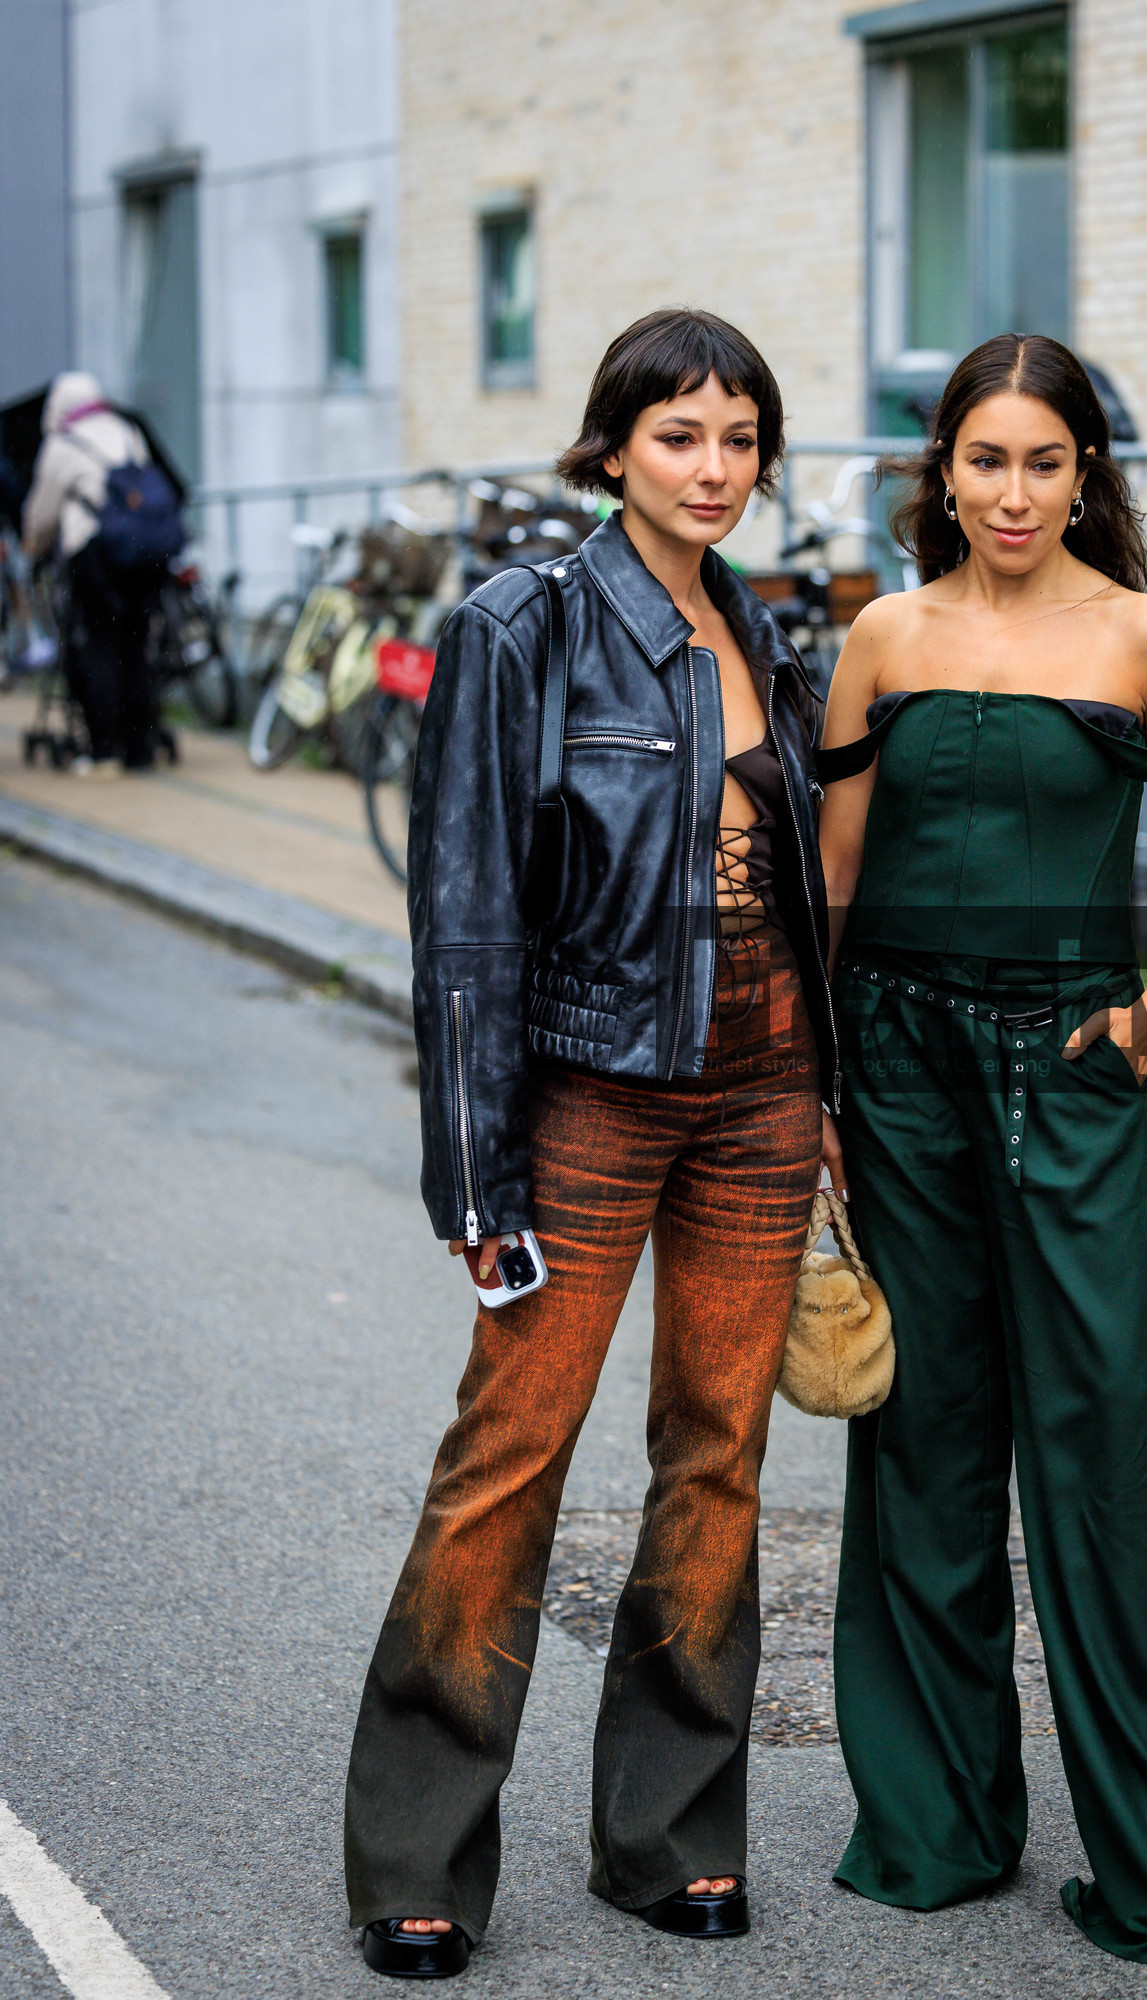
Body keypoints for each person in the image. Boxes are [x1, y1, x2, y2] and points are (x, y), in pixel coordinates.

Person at [343, 308, 844, 1979]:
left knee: (720, 1457)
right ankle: (417, 1852)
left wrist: (831, 1096)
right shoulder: (521, 627)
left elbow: (799, 888)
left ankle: (671, 1839)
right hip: (592, 1093)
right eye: (682, 435)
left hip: (765, 1096)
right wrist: (476, 1176)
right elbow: (467, 919)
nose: (715, 468)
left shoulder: (767, 636)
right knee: (509, 1457)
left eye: (741, 439)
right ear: (613, 445)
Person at [817, 333, 1147, 1967]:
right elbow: (835, 874)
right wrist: (816, 1082)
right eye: (984, 461)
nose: (1011, 492)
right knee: (921, 1435)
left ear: (1085, 477)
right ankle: (935, 1827)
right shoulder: (882, 636)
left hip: (1070, 1066)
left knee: (1106, 1444)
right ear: (946, 473)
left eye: (1042, 462)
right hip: (900, 1062)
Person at [21, 372, 169, 773]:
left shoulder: (62, 445)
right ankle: (140, 747)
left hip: (95, 554)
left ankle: (105, 750)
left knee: (100, 648)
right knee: (137, 649)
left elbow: (41, 514)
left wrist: (32, 546)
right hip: (141, 553)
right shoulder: (126, 430)